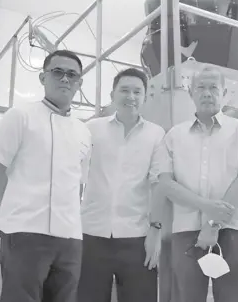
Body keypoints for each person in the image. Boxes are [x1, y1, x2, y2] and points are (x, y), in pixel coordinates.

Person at [0, 49, 92, 302]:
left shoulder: (83, 131)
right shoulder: (21, 116)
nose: (65, 79)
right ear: (43, 78)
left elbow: (78, 184)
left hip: (69, 238)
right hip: (25, 232)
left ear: (79, 83)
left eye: (72, 75)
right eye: (58, 72)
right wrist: (10, 212)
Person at [158, 64, 238, 302]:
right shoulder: (174, 135)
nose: (207, 93)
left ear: (224, 94)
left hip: (233, 229)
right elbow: (165, 183)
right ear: (191, 93)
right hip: (186, 232)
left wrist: (213, 223)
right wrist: (207, 206)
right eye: (200, 87)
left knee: (237, 298)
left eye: (214, 87)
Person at [78, 68, 165, 302]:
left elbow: (159, 185)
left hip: (137, 237)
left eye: (137, 91)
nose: (131, 96)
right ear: (112, 95)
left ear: (145, 97)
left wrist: (155, 232)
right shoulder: (91, 129)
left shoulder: (156, 135)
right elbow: (72, 173)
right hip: (91, 234)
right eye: (124, 90)